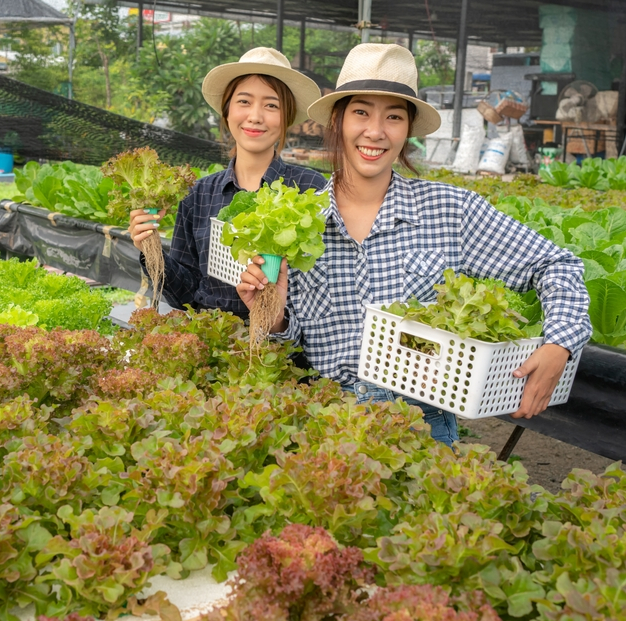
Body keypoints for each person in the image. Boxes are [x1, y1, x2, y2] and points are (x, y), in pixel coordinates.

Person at [236, 43, 592, 447]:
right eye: (361, 112)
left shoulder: (450, 211)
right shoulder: (298, 223)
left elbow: (558, 265)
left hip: (421, 428)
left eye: (393, 116)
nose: (375, 131)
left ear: (407, 130)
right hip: (325, 424)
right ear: (337, 121)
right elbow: (286, 348)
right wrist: (274, 315)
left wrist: (559, 343)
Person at [128, 47, 326, 317]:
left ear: (286, 118)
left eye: (271, 105)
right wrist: (148, 247)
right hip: (214, 345)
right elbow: (185, 294)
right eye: (244, 101)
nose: (255, 116)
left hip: (283, 348)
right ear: (227, 111)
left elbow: (321, 292)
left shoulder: (309, 187)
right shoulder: (198, 194)